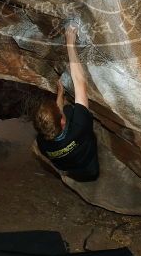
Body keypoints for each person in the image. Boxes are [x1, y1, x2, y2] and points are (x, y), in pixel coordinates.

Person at [34, 25, 99, 182]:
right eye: (58, 110)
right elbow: (80, 83)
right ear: (62, 121)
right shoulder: (80, 126)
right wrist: (70, 43)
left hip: (68, 165)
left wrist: (61, 94)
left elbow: (57, 116)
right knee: (73, 110)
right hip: (88, 165)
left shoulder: (42, 143)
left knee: (68, 109)